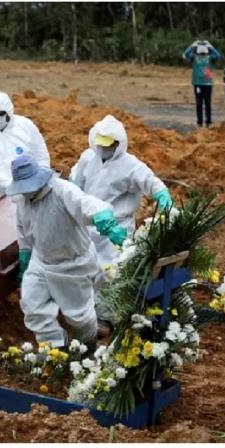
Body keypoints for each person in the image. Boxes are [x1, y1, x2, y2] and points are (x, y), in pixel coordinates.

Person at [5, 154, 127, 351]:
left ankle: (88, 346)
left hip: (73, 263)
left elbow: (87, 204)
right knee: (32, 306)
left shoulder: (62, 191)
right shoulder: (23, 201)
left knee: (78, 317)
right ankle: (56, 348)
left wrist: (105, 220)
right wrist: (25, 256)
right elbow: (24, 231)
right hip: (42, 261)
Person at [69, 115, 173, 333]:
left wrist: (162, 195)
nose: (103, 149)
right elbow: (75, 182)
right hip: (89, 223)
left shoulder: (131, 166)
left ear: (118, 144)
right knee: (84, 269)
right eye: (100, 144)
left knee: (110, 272)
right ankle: (86, 314)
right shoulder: (88, 158)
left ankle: (106, 317)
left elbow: (152, 183)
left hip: (116, 230)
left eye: (108, 145)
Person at [0, 91, 50, 212]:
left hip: (28, 187)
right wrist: (10, 184)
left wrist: (37, 183)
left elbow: (41, 155)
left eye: (0, 114)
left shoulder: (26, 126)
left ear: (9, 111)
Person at [183, 40, 222, 128]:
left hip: (207, 83)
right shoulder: (194, 57)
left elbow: (218, 56)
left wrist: (211, 46)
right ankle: (200, 122)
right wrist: (192, 46)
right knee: (199, 103)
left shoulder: (210, 58)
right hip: (198, 83)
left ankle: (208, 121)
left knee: (207, 103)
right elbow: (185, 55)